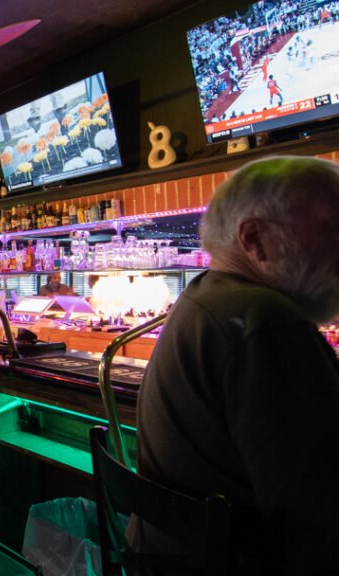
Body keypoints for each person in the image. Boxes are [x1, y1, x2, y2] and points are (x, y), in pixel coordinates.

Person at [136, 157, 339, 573]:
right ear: (255, 239)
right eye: (332, 227)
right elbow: (322, 523)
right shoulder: (264, 321)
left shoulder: (204, 296)